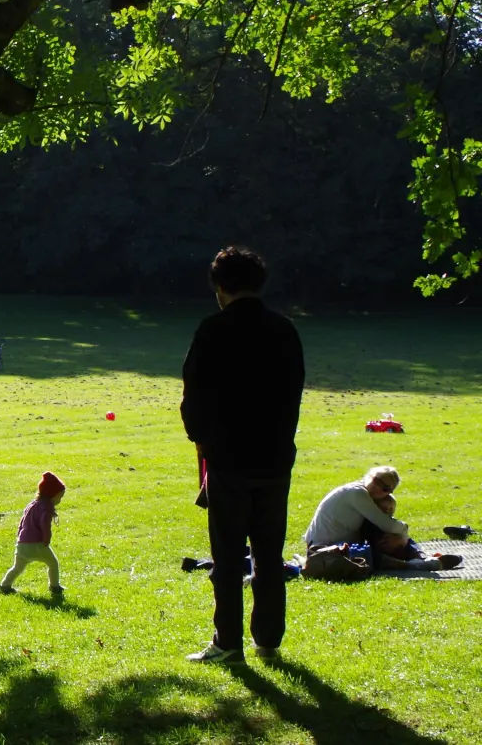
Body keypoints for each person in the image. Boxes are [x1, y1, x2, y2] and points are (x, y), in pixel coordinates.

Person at [181, 246, 304, 664]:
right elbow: (293, 394)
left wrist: (201, 440)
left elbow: (194, 395)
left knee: (228, 555)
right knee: (269, 555)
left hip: (229, 459)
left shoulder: (213, 329)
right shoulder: (284, 331)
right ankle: (268, 641)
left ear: (220, 286)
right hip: (274, 458)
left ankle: (227, 642)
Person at [303, 467, 463, 571]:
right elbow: (387, 524)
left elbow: (386, 525)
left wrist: (400, 537)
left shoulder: (364, 495)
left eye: (385, 488)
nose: (378, 488)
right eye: (377, 481)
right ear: (368, 477)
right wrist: (402, 534)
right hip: (323, 550)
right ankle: (418, 564)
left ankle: (420, 556)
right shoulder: (356, 493)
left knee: (389, 538)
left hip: (343, 545)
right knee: (369, 552)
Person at [0, 472, 66, 596]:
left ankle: (4, 586)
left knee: (17, 567)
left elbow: (22, 521)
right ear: (52, 495)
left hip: (22, 543)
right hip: (37, 544)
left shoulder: (32, 505)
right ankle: (54, 586)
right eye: (59, 497)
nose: (60, 500)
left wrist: (19, 534)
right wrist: (46, 539)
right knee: (53, 563)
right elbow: (45, 525)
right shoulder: (47, 507)